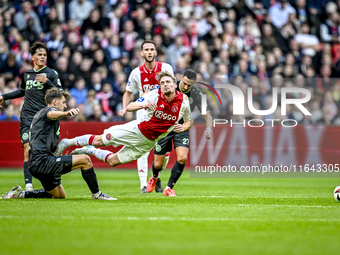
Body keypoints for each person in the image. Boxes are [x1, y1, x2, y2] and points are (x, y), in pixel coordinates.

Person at [55, 71, 192, 173]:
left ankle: (88, 150)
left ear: (175, 85)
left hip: (148, 143)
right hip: (136, 130)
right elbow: (129, 106)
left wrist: (183, 127)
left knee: (112, 161)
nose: (165, 85)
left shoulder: (184, 102)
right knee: (100, 140)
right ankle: (67, 142)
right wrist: (143, 105)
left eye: (168, 82)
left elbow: (188, 121)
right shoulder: (153, 95)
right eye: (162, 83)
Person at [1, 88, 115, 200]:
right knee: (85, 160)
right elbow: (51, 113)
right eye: (63, 102)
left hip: (36, 163)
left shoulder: (41, 115)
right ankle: (97, 194)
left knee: (59, 195)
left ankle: (21, 194)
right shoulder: (47, 111)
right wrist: (66, 113)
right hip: (42, 162)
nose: (65, 106)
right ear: (55, 101)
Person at [0, 42, 62, 191]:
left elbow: (60, 93)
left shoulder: (52, 74)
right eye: (39, 55)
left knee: (46, 152)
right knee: (27, 148)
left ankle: (51, 184)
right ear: (33, 56)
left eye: (44, 55)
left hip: (44, 120)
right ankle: (28, 185)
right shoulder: (27, 74)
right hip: (27, 117)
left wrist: (46, 82)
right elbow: (22, 91)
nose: (42, 57)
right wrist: (4, 96)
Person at [118, 40, 174, 193]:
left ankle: (155, 176)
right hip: (144, 112)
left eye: (152, 49)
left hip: (164, 113)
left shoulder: (166, 68)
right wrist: (124, 108)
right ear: (141, 53)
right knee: (142, 147)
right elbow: (128, 92)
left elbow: (172, 88)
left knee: (165, 150)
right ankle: (143, 185)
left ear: (155, 52)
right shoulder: (136, 72)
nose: (149, 52)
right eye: (146, 50)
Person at [147, 69, 212, 196]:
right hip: (164, 126)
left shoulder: (197, 95)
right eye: (185, 83)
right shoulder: (169, 84)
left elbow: (208, 115)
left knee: (182, 158)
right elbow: (150, 93)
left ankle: (169, 187)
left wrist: (209, 128)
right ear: (180, 78)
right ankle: (154, 176)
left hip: (181, 127)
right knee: (158, 163)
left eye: (190, 85)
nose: (186, 87)